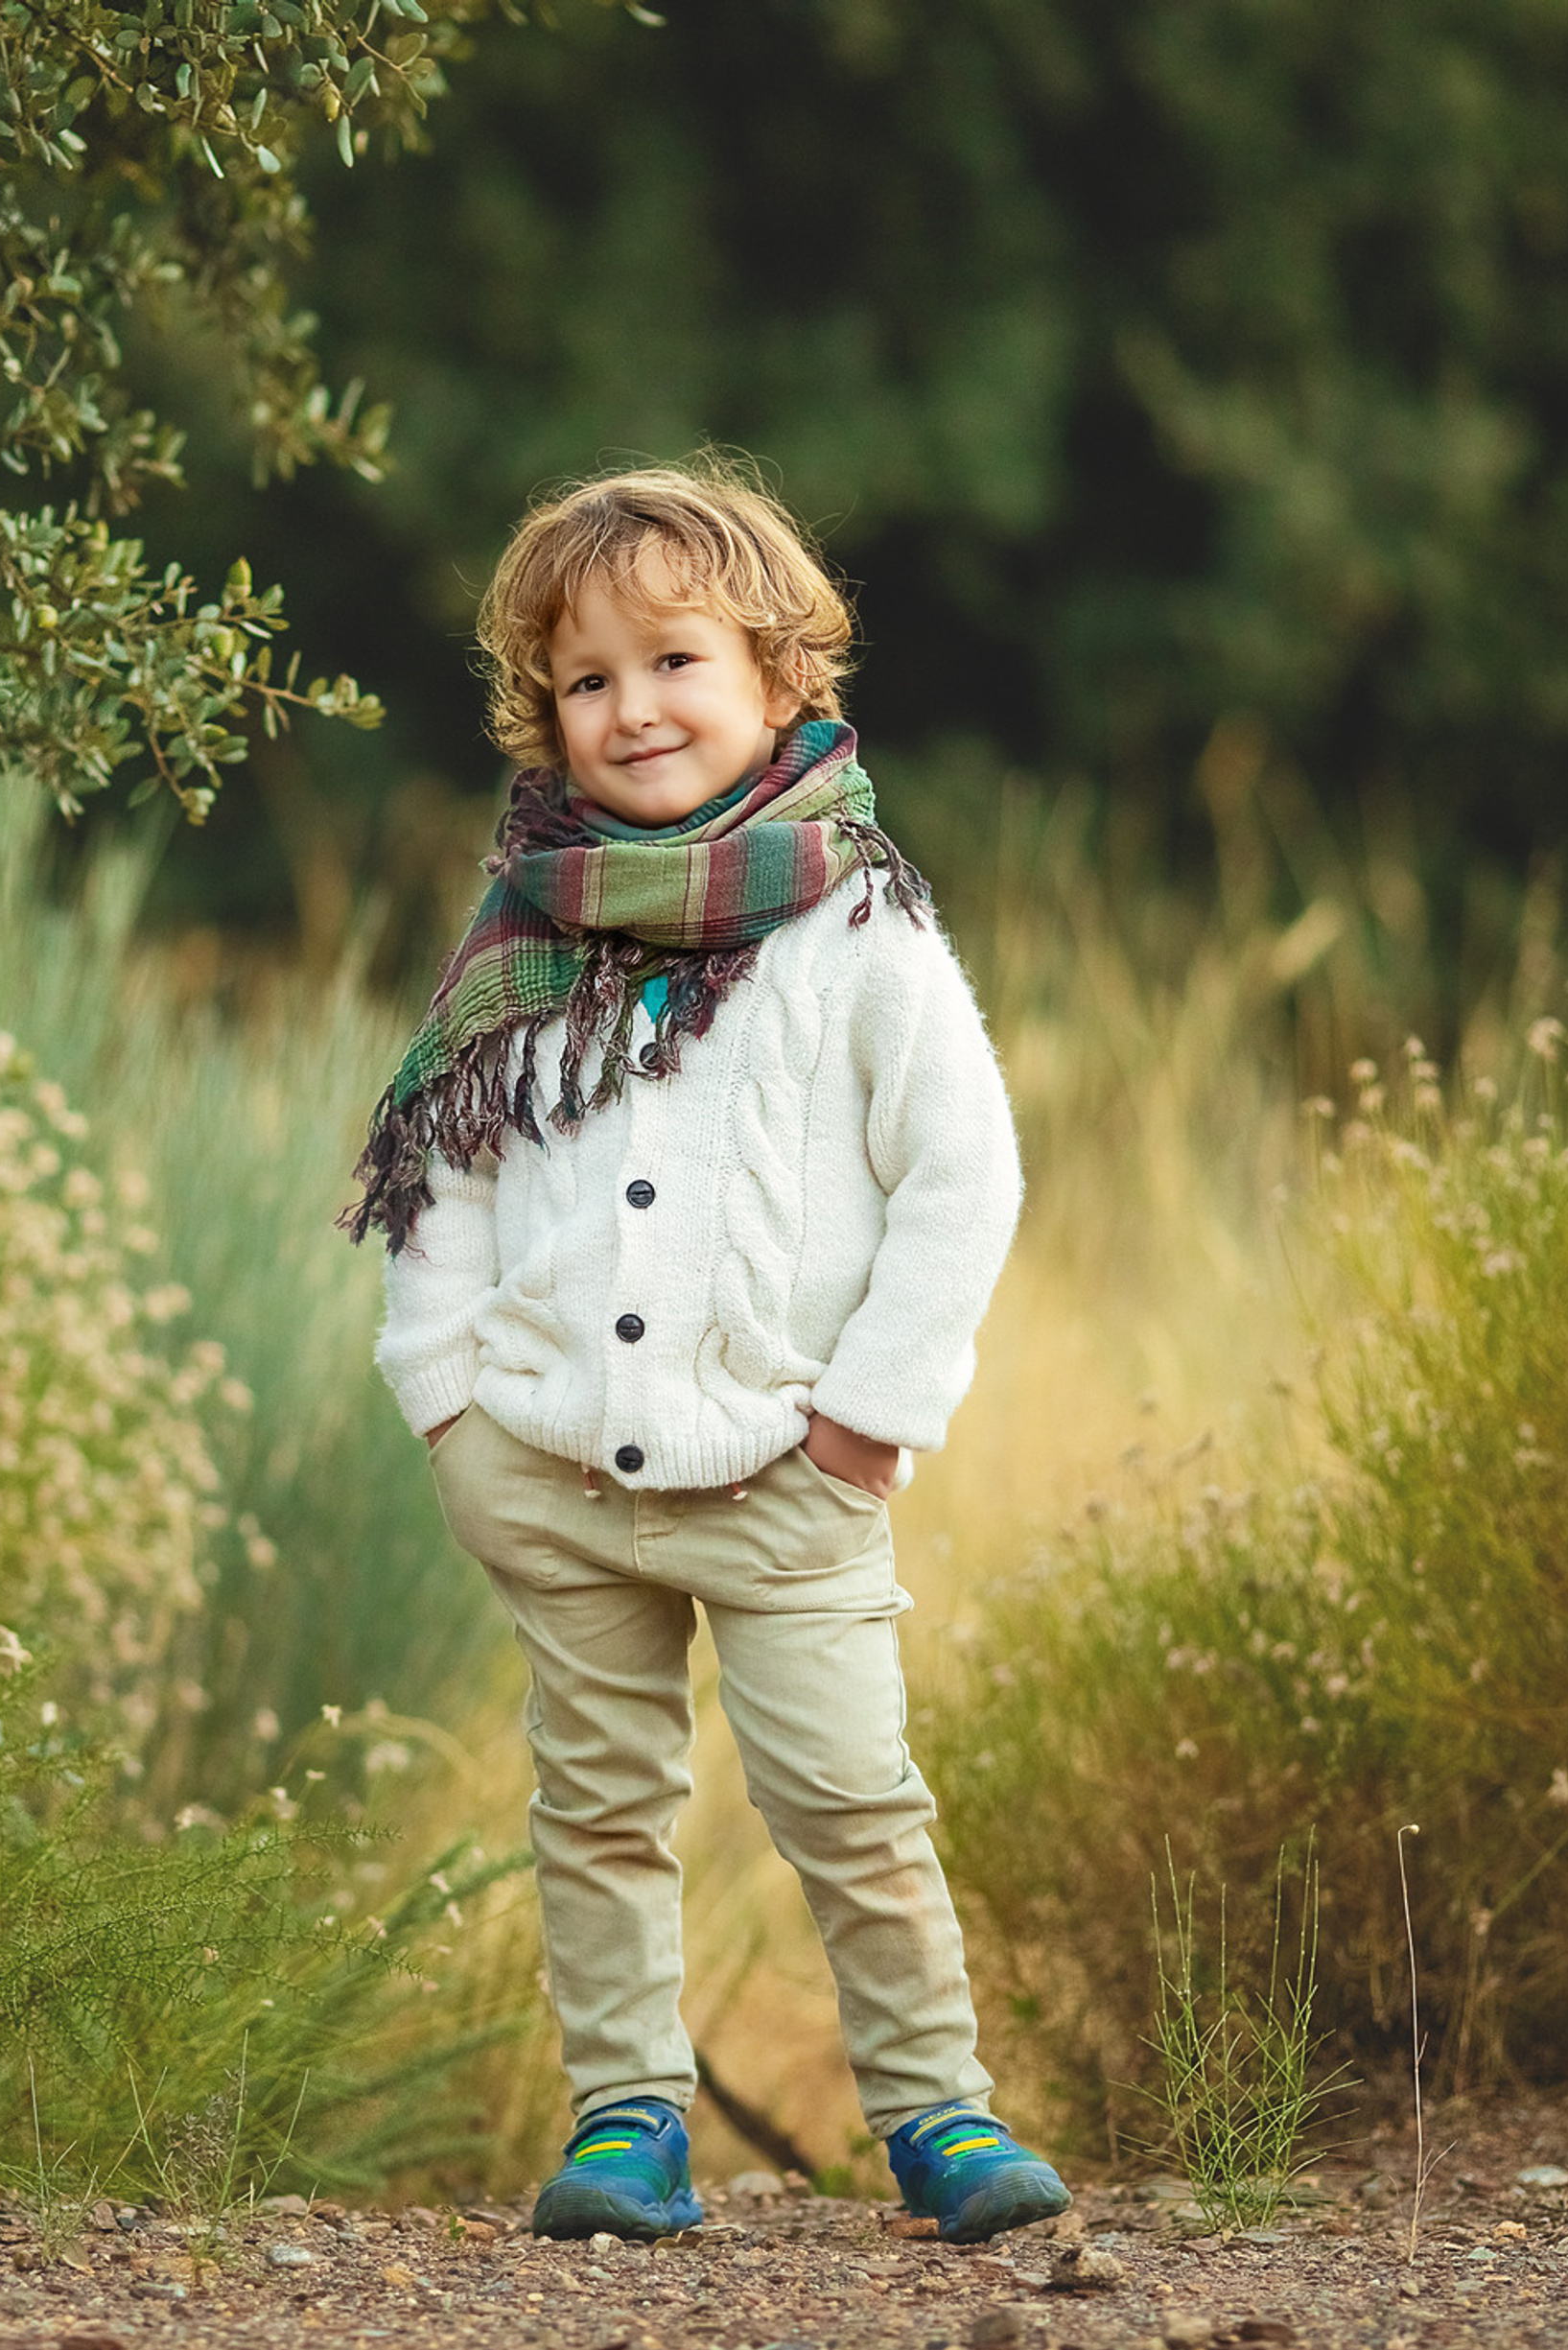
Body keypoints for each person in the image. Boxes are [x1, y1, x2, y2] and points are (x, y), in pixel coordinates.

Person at [342, 456, 1068, 2246]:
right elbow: (447, 1163)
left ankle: (935, 2115)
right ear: (545, 715)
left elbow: (962, 1176)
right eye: (587, 681)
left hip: (787, 1473)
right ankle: (627, 2119)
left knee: (848, 1796)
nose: (633, 708)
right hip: (558, 1468)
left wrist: (869, 1422)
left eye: (674, 662)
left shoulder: (859, 924)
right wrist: (445, 1406)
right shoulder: (527, 928)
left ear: (777, 680)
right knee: (595, 1806)